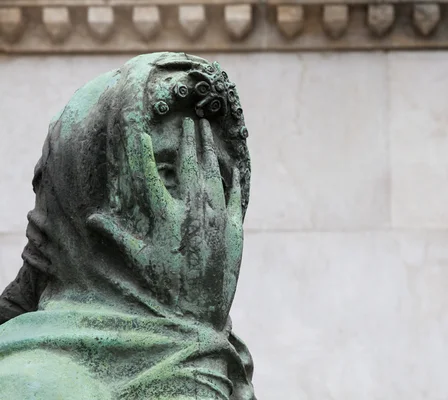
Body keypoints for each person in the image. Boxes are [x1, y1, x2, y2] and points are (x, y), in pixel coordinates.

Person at [0, 52, 256, 400]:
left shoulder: (230, 367)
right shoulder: (29, 378)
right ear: (82, 196)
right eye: (165, 172)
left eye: (218, 183)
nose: (199, 209)